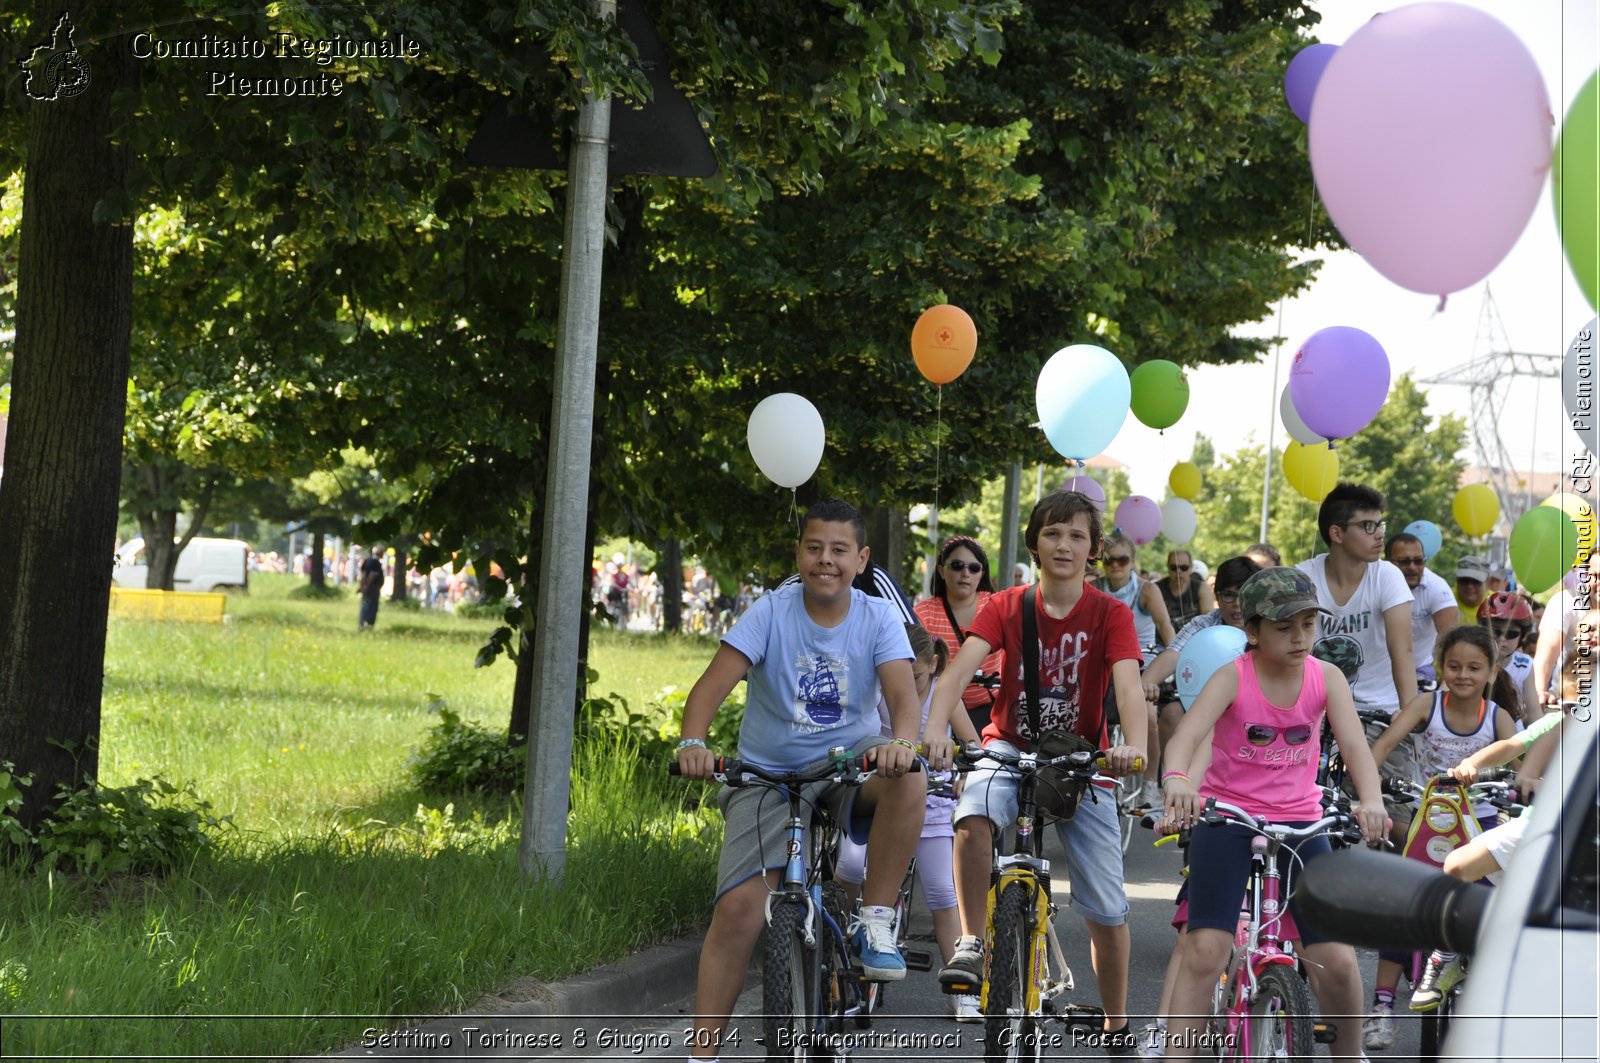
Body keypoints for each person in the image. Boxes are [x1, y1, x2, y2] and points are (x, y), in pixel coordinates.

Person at [674, 499, 926, 1063]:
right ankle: (701, 1053)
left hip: (846, 766)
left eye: (839, 550)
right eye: (814, 548)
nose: (825, 560)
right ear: (799, 553)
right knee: (737, 911)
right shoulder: (771, 611)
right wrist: (694, 743)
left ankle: (877, 922)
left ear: (861, 559)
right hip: (770, 774)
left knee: (912, 776)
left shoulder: (877, 616)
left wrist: (902, 746)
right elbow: (710, 687)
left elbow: (903, 700)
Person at [925, 489, 1146, 1053]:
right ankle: (974, 941)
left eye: (1076, 536)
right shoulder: (1006, 606)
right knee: (972, 817)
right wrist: (934, 731)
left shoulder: (1111, 613)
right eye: (1052, 533)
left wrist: (1132, 747)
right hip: (1010, 747)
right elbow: (955, 674)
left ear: (1094, 549)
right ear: (1034, 543)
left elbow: (1127, 685)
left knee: (1107, 907)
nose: (1064, 545)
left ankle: (1116, 1023)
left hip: (1081, 758)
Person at [1160, 567, 1387, 1063]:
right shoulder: (1232, 677)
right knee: (1205, 950)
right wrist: (1177, 781)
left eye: (1308, 624)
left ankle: (1350, 1055)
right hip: (1229, 820)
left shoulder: (1324, 677)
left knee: (1337, 962)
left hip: (1302, 826)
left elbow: (1354, 747)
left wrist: (1370, 799)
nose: (1300, 637)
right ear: (1254, 632)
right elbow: (1185, 737)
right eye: (1285, 627)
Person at [1363, 625, 1519, 1036]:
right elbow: (1379, 748)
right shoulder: (1425, 706)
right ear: (1440, 667)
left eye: (1474, 667)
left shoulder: (1498, 718)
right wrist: (1370, 788)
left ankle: (1488, 1001)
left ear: (1491, 672)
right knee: (1402, 907)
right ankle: (1382, 1007)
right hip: (1427, 820)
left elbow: (1525, 766)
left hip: (1482, 822)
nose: (1463, 674)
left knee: (1486, 908)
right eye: (1454, 666)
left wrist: (1528, 782)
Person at [832, 625, 984, 1021]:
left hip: (932, 805)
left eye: (915, 675)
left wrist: (968, 769)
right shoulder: (880, 692)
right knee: (848, 866)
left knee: (941, 891)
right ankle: (836, 950)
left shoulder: (942, 696)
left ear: (933, 666)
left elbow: (972, 745)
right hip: (884, 802)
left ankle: (961, 988)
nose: (907, 682)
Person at [1295, 483, 1415, 833]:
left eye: (1380, 525)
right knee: (1303, 811)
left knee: (1397, 822)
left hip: (1377, 712)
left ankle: (1398, 885)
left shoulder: (1387, 576)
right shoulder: (1303, 578)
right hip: (1315, 708)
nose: (1379, 535)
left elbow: (1402, 650)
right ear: (1337, 533)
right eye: (1367, 526)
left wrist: (1408, 713)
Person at [1139, 556, 1264, 804]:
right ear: (1216, 595)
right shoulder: (1204, 624)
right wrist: (1148, 680)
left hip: (1256, 716)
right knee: (1172, 712)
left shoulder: (1269, 626)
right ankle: (1176, 788)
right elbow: (1174, 653)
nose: (1237, 604)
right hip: (1201, 713)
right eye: (1228, 595)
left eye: (1244, 594)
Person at [915, 535, 1005, 734]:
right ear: (941, 570)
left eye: (974, 568)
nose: (965, 573)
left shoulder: (996, 606)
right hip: (938, 713)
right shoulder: (924, 613)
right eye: (957, 565)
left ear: (982, 573)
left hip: (989, 712)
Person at [1527, 550, 1600, 715]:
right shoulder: (1565, 602)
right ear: (1586, 576)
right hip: (1569, 703)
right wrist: (1540, 694)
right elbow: (1545, 658)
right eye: (1597, 576)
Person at [1385, 531, 1457, 684]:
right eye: (1404, 561)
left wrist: (1446, 685)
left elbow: (1452, 641)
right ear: (1387, 562)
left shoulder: (1437, 587)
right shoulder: (1373, 583)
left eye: (1418, 561)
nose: (1412, 567)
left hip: (1419, 669)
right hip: (1378, 669)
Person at [1478, 591, 1535, 712]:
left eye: (1511, 633)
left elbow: (1534, 712)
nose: (1502, 639)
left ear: (1523, 637)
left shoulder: (1525, 665)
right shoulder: (1470, 659)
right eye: (1495, 631)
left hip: (1512, 726)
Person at [1156, 549, 1214, 631]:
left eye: (1184, 568)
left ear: (1191, 568)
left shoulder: (1202, 588)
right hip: (1162, 641)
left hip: (1194, 638)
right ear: (1168, 568)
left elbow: (1208, 621)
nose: (1178, 571)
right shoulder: (1156, 589)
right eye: (1173, 567)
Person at [1454, 554, 1491, 627]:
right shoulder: (1446, 600)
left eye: (1476, 581)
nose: (1469, 586)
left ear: (1487, 582)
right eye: (1464, 580)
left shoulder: (1496, 602)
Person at [357, 547, 384, 629]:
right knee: (371, 606)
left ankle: (363, 623)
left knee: (365, 605)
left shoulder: (367, 561)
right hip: (373, 588)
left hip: (368, 587)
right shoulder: (375, 562)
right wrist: (365, 587)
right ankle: (367, 624)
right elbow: (372, 575)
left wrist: (362, 586)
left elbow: (363, 574)